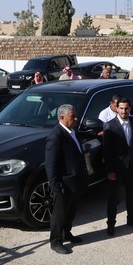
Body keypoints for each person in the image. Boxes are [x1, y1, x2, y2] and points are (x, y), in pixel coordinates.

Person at [45, 104, 88, 254]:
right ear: (62, 117)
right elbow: (51, 163)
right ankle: (56, 241)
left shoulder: (72, 132)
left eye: (75, 116)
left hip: (75, 181)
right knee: (60, 214)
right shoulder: (56, 136)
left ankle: (66, 232)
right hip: (64, 183)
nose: (76, 119)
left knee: (71, 210)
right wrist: (55, 184)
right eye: (72, 116)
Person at [103, 98, 133, 236]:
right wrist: (110, 170)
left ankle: (132, 219)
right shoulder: (110, 125)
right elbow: (107, 151)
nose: (123, 111)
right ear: (117, 108)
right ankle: (111, 224)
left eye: (126, 108)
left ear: (130, 108)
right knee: (113, 197)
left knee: (131, 194)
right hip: (116, 168)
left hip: (132, 165)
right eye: (121, 108)